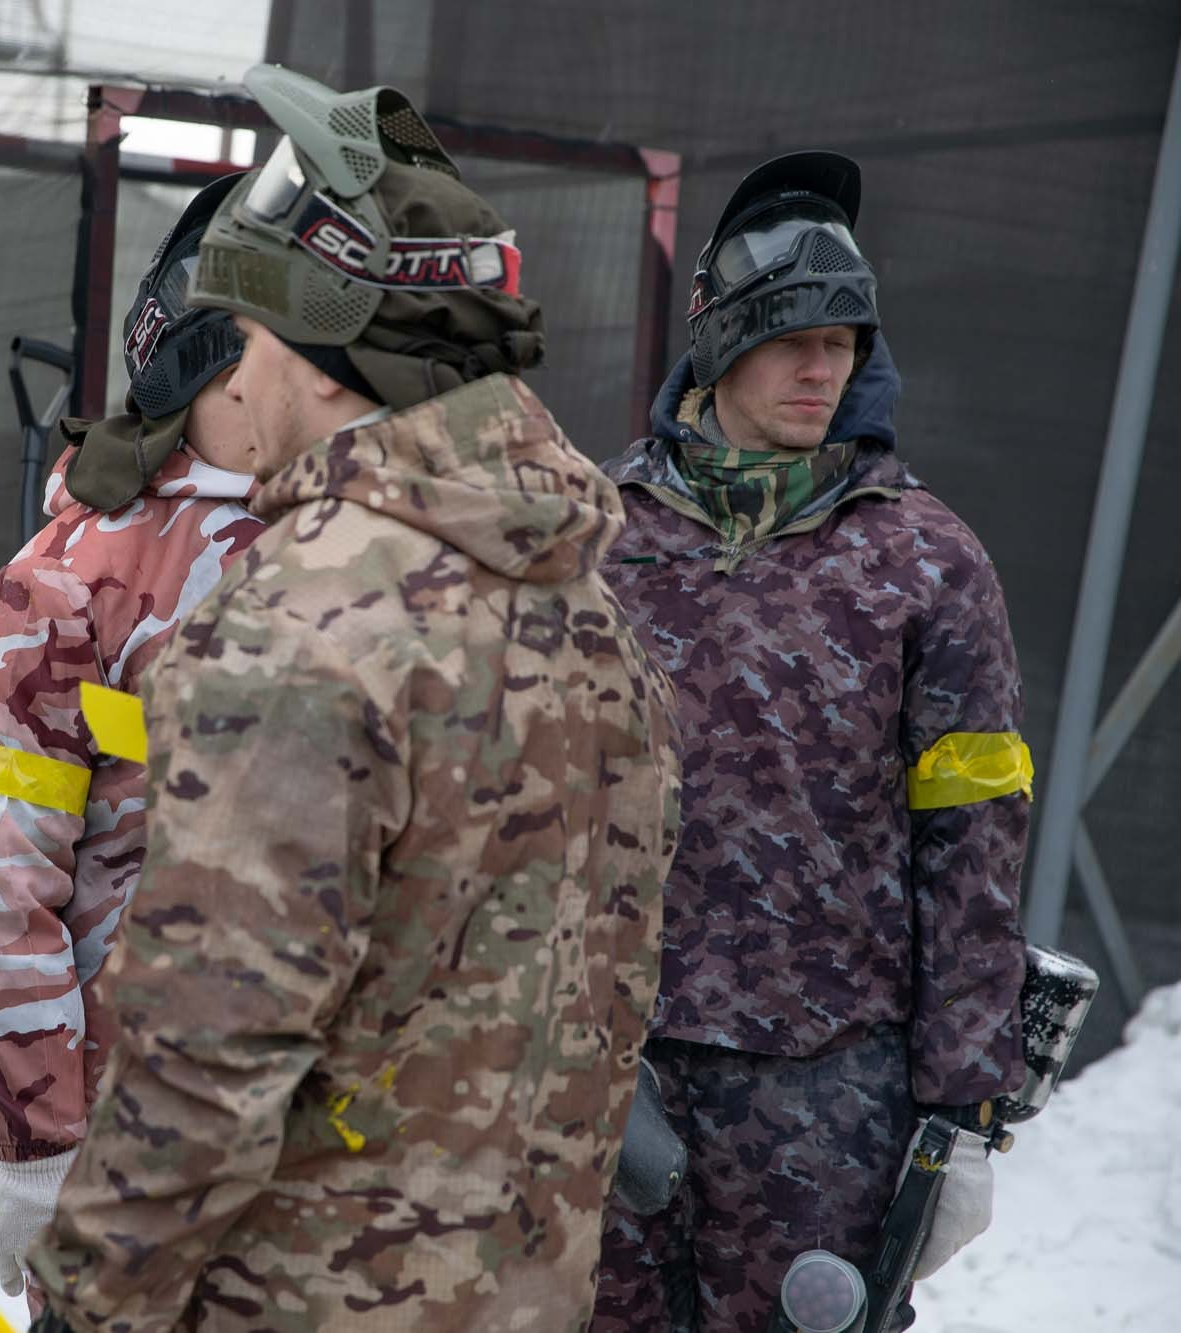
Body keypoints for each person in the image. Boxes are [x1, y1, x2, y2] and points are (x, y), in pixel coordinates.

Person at [26, 66, 681, 1332]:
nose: (240, 379)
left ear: (329, 365)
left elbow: (206, 1057)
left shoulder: (301, 623)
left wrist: (84, 1305)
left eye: (254, 341)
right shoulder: (590, 615)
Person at [591, 152, 1031, 1331]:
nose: (820, 367)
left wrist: (962, 1109)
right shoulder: (590, 538)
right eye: (791, 338)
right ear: (720, 340)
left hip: (822, 1090)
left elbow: (973, 847)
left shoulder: (925, 560)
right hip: (599, 1065)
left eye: (842, 341)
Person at [0, 175, 264, 1299]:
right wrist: (40, 1140)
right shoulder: (71, 582)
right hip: (132, 1153)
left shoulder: (369, 551)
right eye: (274, 336)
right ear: (206, 355)